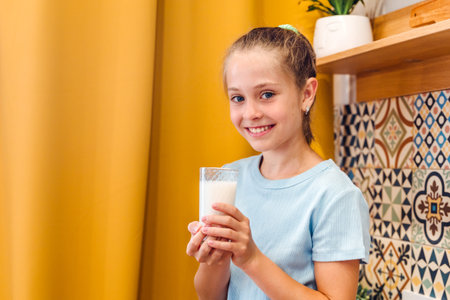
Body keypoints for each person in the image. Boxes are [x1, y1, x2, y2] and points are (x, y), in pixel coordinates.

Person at [186, 25, 370, 300]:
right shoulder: (228, 178)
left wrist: (251, 259)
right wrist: (217, 260)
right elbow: (209, 296)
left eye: (267, 94)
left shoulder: (335, 195)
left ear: (306, 94)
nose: (250, 113)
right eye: (238, 98)